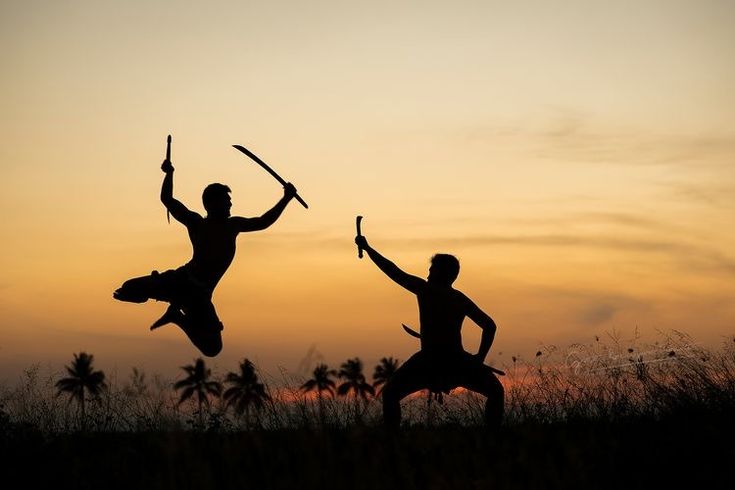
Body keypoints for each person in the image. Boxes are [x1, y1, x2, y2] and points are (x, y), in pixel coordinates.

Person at [114, 154, 298, 357]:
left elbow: (263, 221)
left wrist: (286, 199)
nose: (230, 205)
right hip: (180, 281)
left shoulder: (233, 225)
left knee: (213, 348)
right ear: (213, 203)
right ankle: (169, 301)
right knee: (127, 289)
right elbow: (167, 199)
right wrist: (169, 174)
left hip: (200, 296)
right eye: (226, 201)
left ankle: (177, 317)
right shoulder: (197, 223)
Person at [355, 234, 504, 429]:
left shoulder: (425, 290)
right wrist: (479, 358)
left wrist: (368, 248)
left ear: (440, 273)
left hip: (429, 360)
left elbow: (393, 271)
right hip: (457, 360)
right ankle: (493, 437)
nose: (427, 274)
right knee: (496, 392)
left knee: (390, 393)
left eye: (431, 270)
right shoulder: (459, 298)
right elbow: (489, 326)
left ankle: (391, 442)